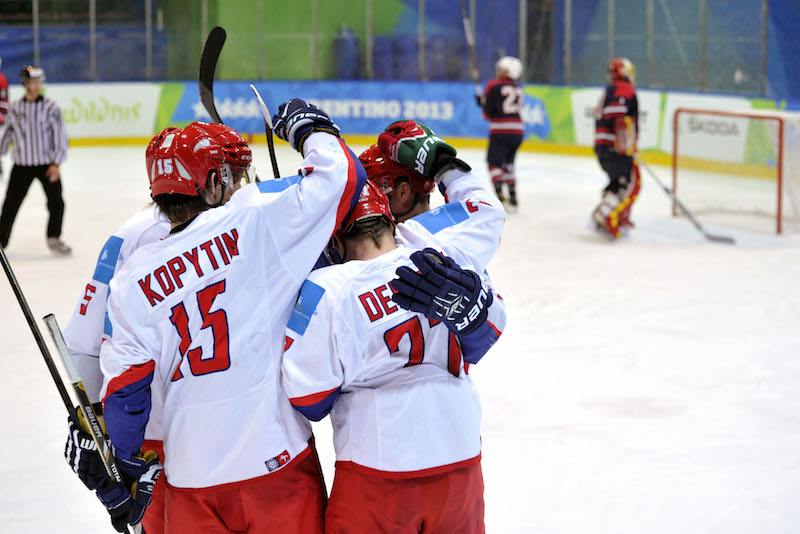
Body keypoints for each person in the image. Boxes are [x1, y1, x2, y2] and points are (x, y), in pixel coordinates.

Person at [96, 101, 365, 534]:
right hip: (276, 464)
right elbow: (344, 176)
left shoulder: (131, 278)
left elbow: (126, 394)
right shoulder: (255, 223)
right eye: (236, 176)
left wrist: (124, 468)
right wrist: (311, 130)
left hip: (190, 478)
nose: (242, 184)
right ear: (215, 181)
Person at [282, 120, 507, 533]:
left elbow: (309, 399)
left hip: (376, 467)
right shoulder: (440, 246)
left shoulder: (327, 288)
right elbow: (490, 325)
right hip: (458, 454)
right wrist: (443, 167)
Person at [62, 132, 178, 534]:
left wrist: (92, 423)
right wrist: (95, 429)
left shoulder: (136, 230)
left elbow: (81, 346)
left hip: (170, 431)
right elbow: (85, 348)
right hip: (159, 438)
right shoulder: (141, 234)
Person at [0, 66, 70, 254]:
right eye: (33, 82)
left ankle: (54, 238)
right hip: (22, 165)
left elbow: (60, 136)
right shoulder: (15, 108)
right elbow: (7, 134)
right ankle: (1, 243)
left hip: (46, 165)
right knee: (10, 206)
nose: (37, 85)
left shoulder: (50, 107)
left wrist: (56, 163)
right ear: (25, 84)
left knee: (56, 203)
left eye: (39, 81)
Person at [592, 57, 641, 239]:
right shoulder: (623, 89)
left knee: (617, 182)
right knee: (623, 183)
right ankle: (604, 215)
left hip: (603, 146)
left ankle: (607, 214)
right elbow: (618, 115)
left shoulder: (611, 89)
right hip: (614, 148)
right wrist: (625, 142)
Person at [477, 56, 524, 209]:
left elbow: (487, 113)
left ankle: (500, 193)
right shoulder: (518, 87)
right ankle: (513, 196)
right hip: (518, 130)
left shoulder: (494, 85)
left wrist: (482, 103)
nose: (498, 71)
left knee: (494, 163)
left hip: (500, 129)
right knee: (509, 164)